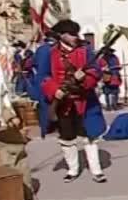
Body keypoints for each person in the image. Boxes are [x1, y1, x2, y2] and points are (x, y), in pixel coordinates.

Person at [39, 20, 108, 183]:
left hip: (85, 100)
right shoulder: (49, 53)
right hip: (62, 102)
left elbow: (95, 71)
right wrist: (54, 89)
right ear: (61, 35)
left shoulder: (86, 51)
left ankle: (96, 171)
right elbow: (43, 76)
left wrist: (85, 77)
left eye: (76, 33)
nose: (75, 37)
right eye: (71, 34)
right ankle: (72, 170)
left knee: (89, 136)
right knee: (67, 137)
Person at [98, 47, 122, 111]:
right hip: (107, 77)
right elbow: (98, 68)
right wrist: (103, 69)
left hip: (115, 75)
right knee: (107, 93)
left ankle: (114, 105)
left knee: (116, 92)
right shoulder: (102, 59)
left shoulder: (115, 57)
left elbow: (118, 66)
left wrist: (119, 67)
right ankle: (108, 106)